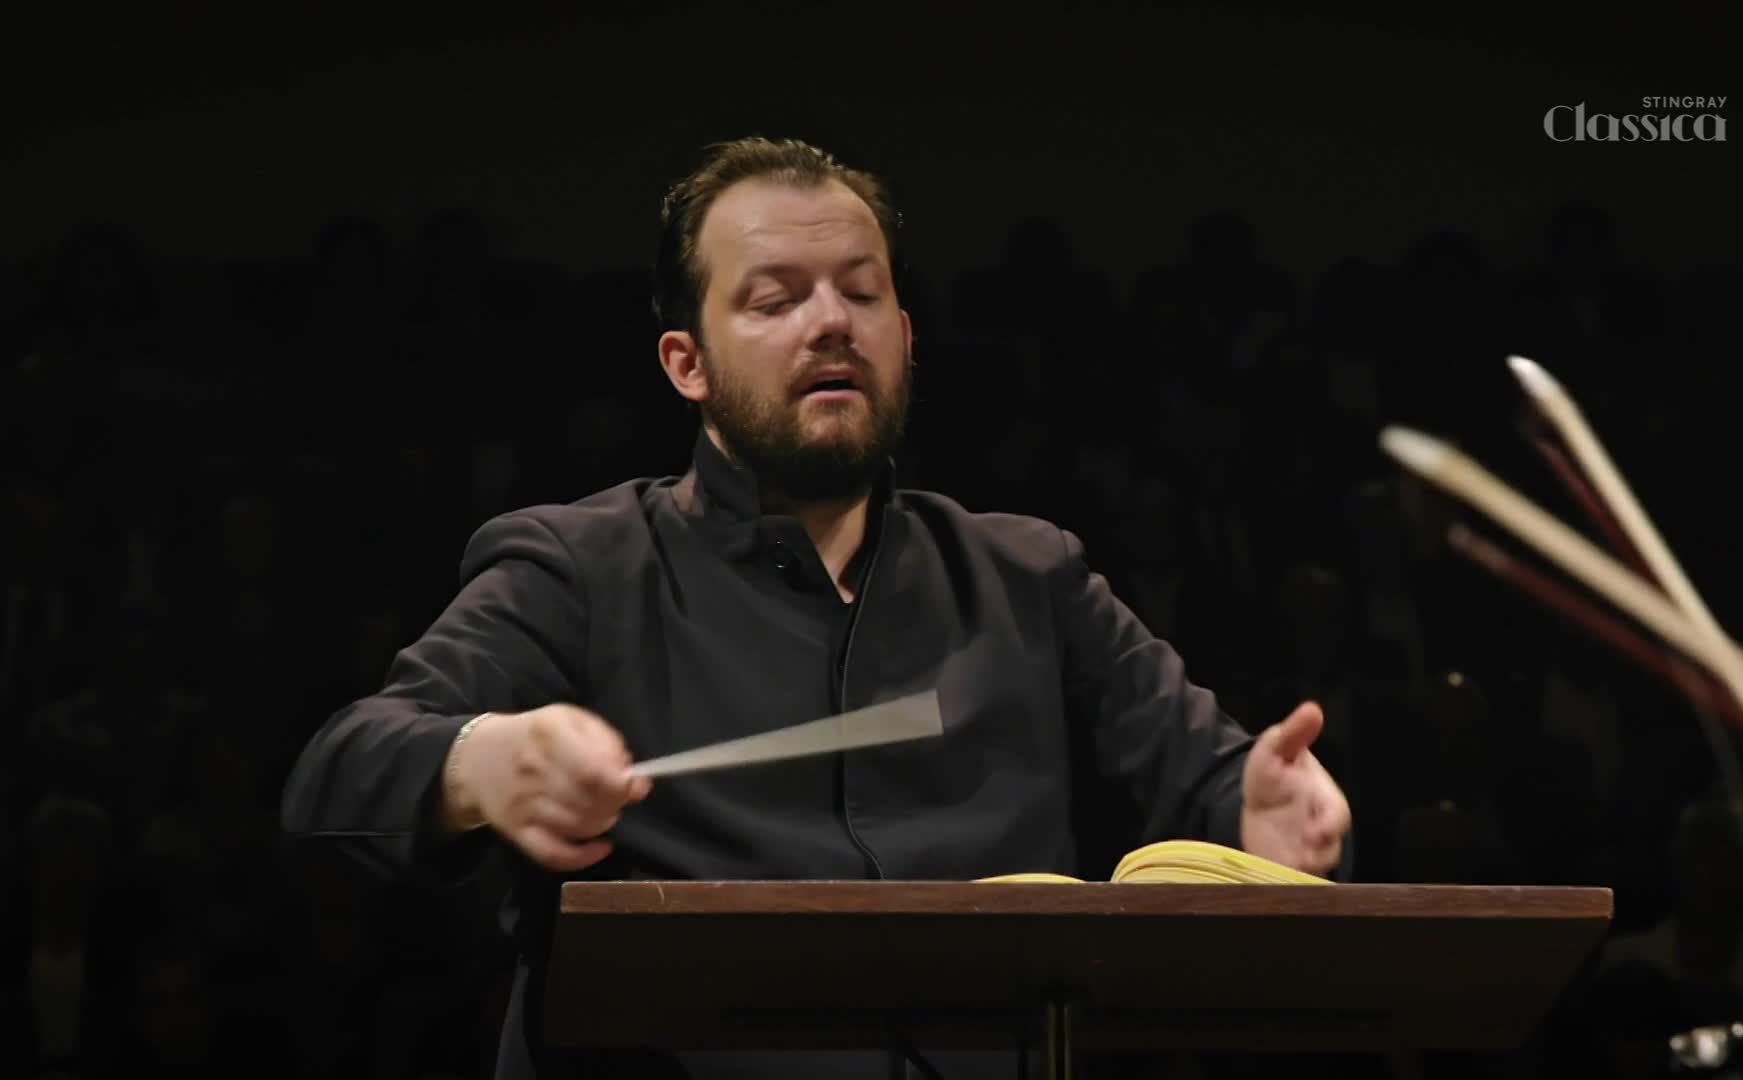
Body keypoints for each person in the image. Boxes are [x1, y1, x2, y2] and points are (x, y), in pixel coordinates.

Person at [280, 136, 1353, 1080]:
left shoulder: (1031, 575)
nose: (832, 321)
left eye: (861, 289)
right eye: (776, 297)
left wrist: (1260, 824)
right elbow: (343, 767)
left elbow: (1221, 785)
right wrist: (484, 761)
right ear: (685, 363)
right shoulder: (579, 566)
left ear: (907, 334)